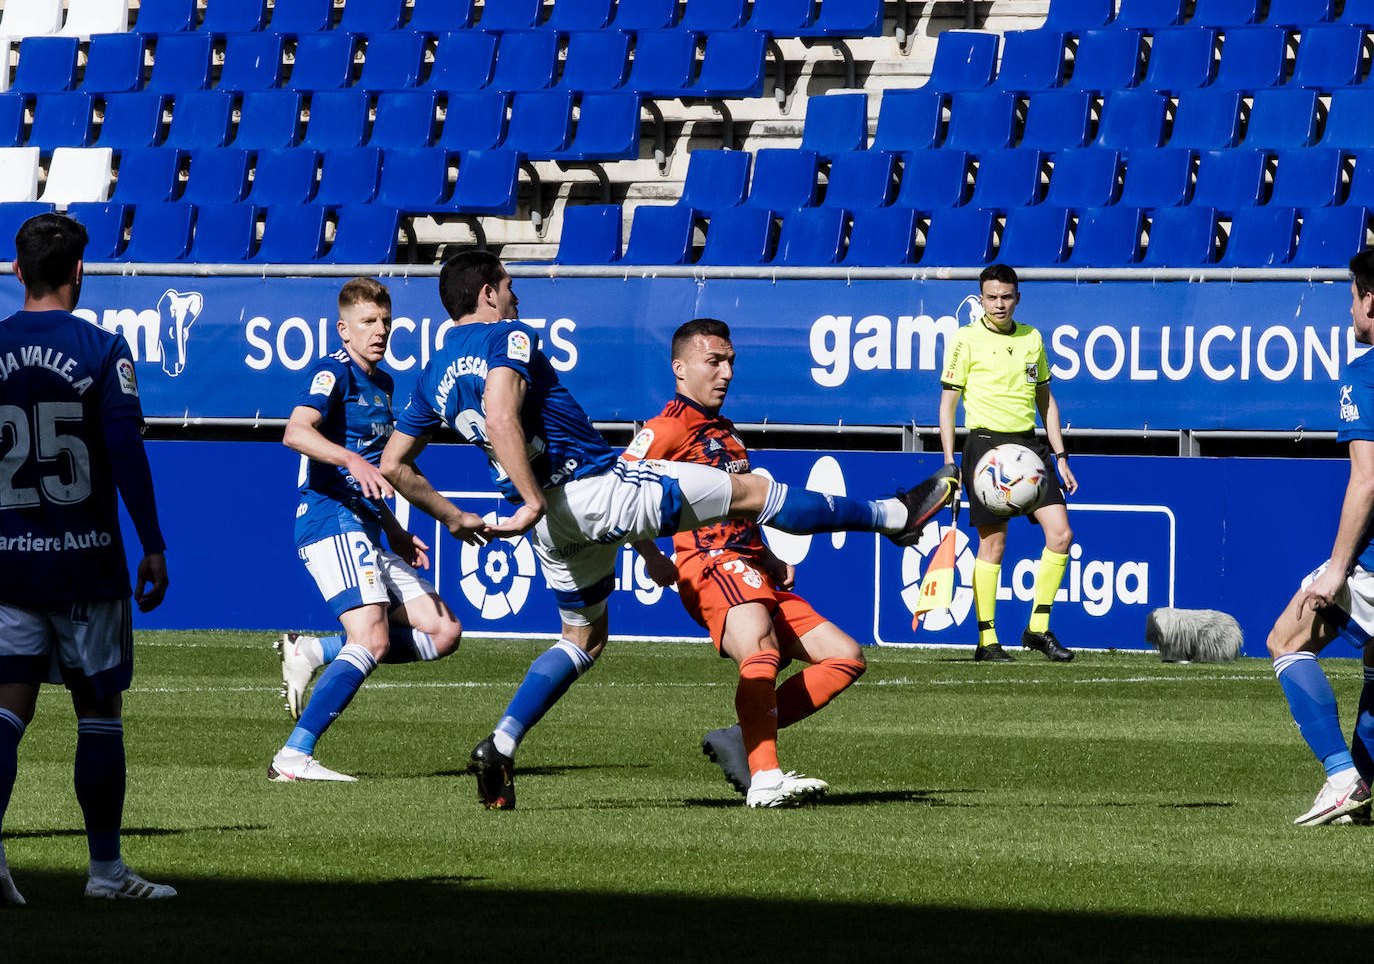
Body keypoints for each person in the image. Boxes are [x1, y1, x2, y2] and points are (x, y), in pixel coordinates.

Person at [379, 250, 956, 810]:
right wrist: (529, 498)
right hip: (586, 490)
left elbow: (394, 465)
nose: (515, 296)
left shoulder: (431, 373)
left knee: (583, 640)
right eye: (508, 287)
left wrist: (454, 517)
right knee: (752, 490)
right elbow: (502, 413)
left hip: (555, 529)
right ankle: (895, 516)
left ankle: (501, 742)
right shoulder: (508, 335)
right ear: (488, 294)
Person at [0, 212, 174, 904]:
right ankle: (105, 871)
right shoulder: (103, 349)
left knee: (6, 713)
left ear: (17, 271)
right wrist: (153, 543)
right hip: (85, 566)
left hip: (7, 564)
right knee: (98, 711)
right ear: (79, 272)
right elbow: (127, 452)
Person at [626, 319, 866, 808]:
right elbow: (618, 494)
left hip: (750, 562)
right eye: (714, 361)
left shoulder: (726, 431)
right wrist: (651, 555)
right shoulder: (665, 427)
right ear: (680, 367)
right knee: (762, 652)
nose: (727, 372)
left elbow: (742, 502)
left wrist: (771, 555)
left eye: (730, 361)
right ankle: (765, 777)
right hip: (710, 563)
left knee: (845, 657)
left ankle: (742, 737)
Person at [269, 278, 463, 783]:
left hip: (367, 527)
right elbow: (295, 431)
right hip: (328, 519)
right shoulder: (332, 373)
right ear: (344, 329)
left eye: (385, 322)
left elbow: (376, 474)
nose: (379, 332)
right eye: (368, 323)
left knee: (443, 632)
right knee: (372, 636)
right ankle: (293, 758)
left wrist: (395, 529)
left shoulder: (385, 384)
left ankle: (313, 650)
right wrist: (350, 458)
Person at [1266, 248, 1374, 827]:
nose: (1350, 307)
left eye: (1352, 294)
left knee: (1287, 641)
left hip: (1373, 564)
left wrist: (1337, 568)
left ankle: (1341, 775)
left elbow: (1368, 478)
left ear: (1369, 298)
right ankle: (1362, 784)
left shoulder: (1365, 370)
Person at [939, 263, 1078, 663]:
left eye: (1006, 297)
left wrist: (1062, 455)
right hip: (985, 447)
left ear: (1017, 297)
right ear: (980, 299)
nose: (999, 304)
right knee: (993, 544)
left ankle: (1037, 628)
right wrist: (951, 463)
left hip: (1030, 448)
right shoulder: (965, 340)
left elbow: (1045, 399)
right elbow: (948, 404)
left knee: (1061, 535)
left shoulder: (1032, 337)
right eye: (991, 297)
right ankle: (987, 640)